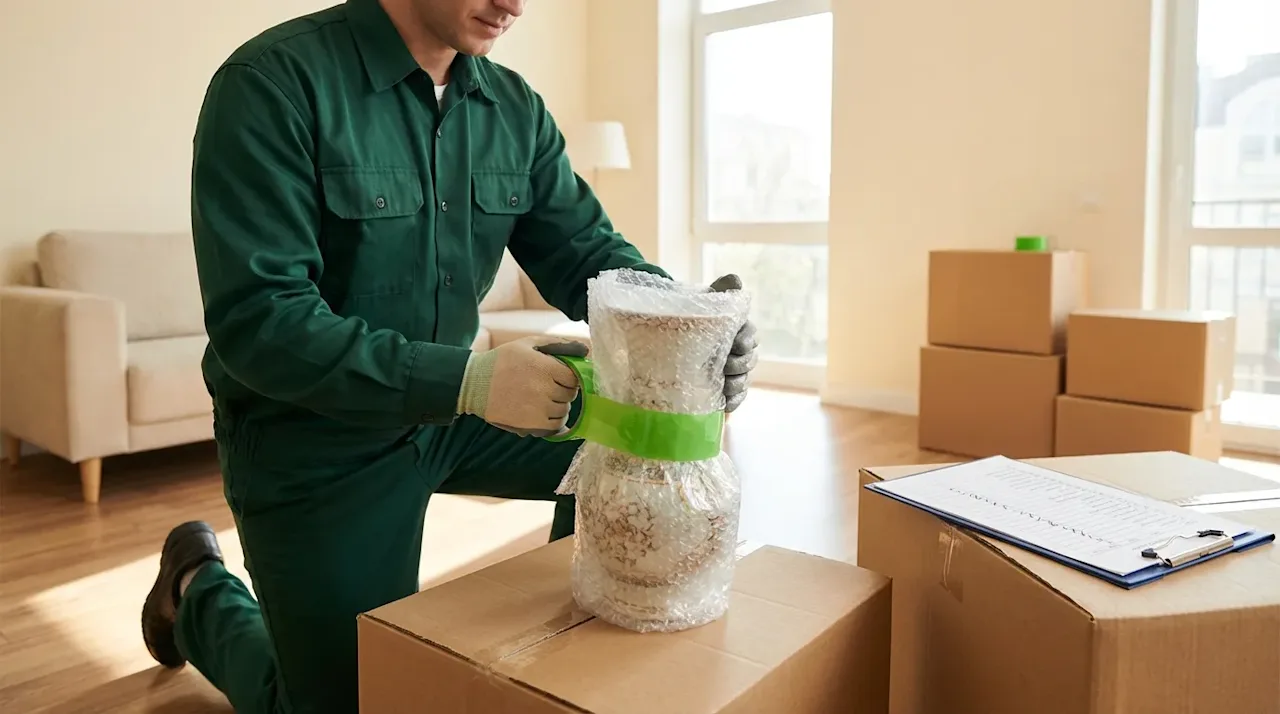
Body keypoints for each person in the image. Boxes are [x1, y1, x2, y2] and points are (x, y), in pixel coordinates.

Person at [139, 1, 759, 712]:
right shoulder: (272, 84)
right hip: (312, 435)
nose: (513, 4)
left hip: (453, 411)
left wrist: (688, 323)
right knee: (349, 702)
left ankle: (564, 663)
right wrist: (468, 381)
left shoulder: (512, 107)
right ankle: (196, 593)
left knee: (628, 431)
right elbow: (261, 322)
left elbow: (586, 254)